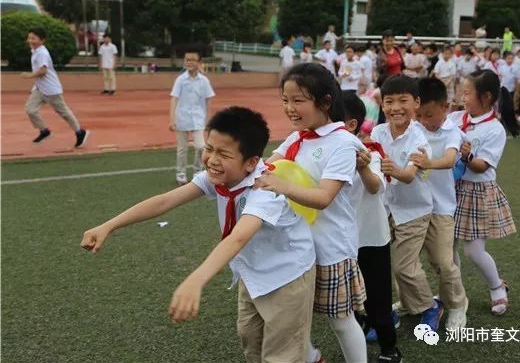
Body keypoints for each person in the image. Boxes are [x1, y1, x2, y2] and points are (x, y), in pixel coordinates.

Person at [81, 106, 317, 363]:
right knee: (251, 340)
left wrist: (196, 280)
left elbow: (238, 237)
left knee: (282, 355)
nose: (212, 159)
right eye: (209, 148)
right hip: (253, 270)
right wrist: (108, 225)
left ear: (250, 162)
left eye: (223, 153)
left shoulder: (265, 188)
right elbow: (164, 201)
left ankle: (306, 357)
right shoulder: (217, 176)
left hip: (287, 276)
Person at [260, 63, 367, 363]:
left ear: (325, 102)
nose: (289, 108)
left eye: (298, 100)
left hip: (330, 247)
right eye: (285, 100)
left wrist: (279, 184)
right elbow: (269, 166)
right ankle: (311, 357)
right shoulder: (298, 137)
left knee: (341, 320)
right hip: (295, 246)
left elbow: (323, 198)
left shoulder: (343, 143)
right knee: (292, 316)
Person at [370, 75, 445, 332]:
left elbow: (410, 175)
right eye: (389, 101)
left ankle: (430, 306)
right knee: (381, 264)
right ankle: (405, 305)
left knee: (404, 267)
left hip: (414, 211)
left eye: (403, 100)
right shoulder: (378, 132)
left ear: (416, 103)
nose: (395, 107)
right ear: (382, 105)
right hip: (385, 208)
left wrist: (393, 169)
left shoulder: (419, 139)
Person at [448, 69, 520, 316]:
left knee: (474, 252)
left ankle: (497, 287)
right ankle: (453, 292)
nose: (462, 97)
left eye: (467, 93)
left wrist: (467, 156)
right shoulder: (456, 117)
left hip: (476, 193)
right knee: (446, 248)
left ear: (486, 97)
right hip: (450, 190)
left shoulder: (494, 129)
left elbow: (481, 167)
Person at [342, 93, 403, 363]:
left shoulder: (373, 152)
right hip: (342, 242)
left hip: (372, 239)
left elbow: (375, 186)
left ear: (352, 124)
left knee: (378, 298)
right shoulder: (323, 153)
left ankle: (390, 349)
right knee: (347, 303)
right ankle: (356, 346)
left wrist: (362, 166)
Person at [409, 78, 469, 330]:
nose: (423, 120)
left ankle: (456, 304)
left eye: (430, 114)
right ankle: (410, 303)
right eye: (419, 114)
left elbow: (449, 159)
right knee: (407, 264)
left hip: (441, 209)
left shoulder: (452, 132)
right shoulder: (413, 127)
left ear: (445, 107)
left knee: (444, 262)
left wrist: (426, 163)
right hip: (411, 208)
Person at [21, 27, 89, 148]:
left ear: (42, 41)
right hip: (39, 88)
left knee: (64, 113)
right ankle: (44, 131)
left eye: (33, 38)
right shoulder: (35, 51)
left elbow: (43, 71)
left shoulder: (42, 53)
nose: (30, 40)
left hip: (51, 90)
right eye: (29, 37)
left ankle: (80, 132)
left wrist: (29, 75)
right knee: (30, 109)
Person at [169, 48, 215, 185]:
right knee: (182, 148)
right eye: (186, 60)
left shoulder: (204, 81)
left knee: (201, 147)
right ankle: (181, 172)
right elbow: (174, 99)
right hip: (181, 118)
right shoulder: (181, 80)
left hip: (198, 119)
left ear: (199, 62)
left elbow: (208, 100)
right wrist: (172, 119)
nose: (188, 62)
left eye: (192, 60)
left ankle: (197, 170)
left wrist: (208, 119)